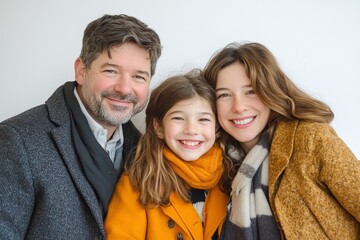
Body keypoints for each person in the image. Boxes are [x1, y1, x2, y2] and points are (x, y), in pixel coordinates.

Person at [0, 14, 161, 239]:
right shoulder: (17, 140)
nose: (125, 89)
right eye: (111, 71)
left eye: (139, 76)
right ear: (81, 71)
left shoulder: (146, 150)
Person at [203, 42, 360, 239]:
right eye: (224, 95)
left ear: (270, 90)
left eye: (250, 91)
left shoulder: (310, 139)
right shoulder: (216, 167)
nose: (239, 106)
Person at [104, 69, 231, 239]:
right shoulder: (137, 182)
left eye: (203, 119)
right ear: (158, 127)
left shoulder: (230, 177)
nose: (191, 130)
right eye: (178, 118)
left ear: (216, 128)